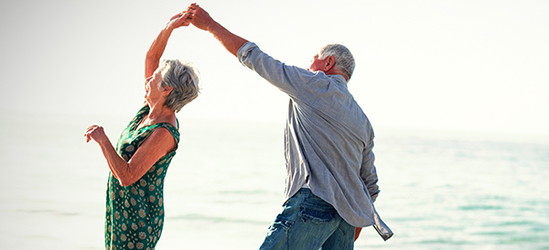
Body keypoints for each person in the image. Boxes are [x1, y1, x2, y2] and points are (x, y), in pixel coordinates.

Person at [185, 3, 392, 249]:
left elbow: (255, 58)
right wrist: (353, 225)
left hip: (313, 204)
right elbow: (371, 184)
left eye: (312, 61)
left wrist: (210, 25)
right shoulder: (363, 120)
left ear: (328, 63)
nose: (307, 68)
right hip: (347, 220)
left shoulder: (314, 84)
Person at [84, 11, 199, 250]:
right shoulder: (149, 109)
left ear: (166, 89)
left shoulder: (164, 132)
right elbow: (152, 57)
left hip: (138, 217)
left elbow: (127, 176)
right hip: (121, 209)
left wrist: (103, 141)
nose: (147, 81)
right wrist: (169, 27)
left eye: (153, 79)